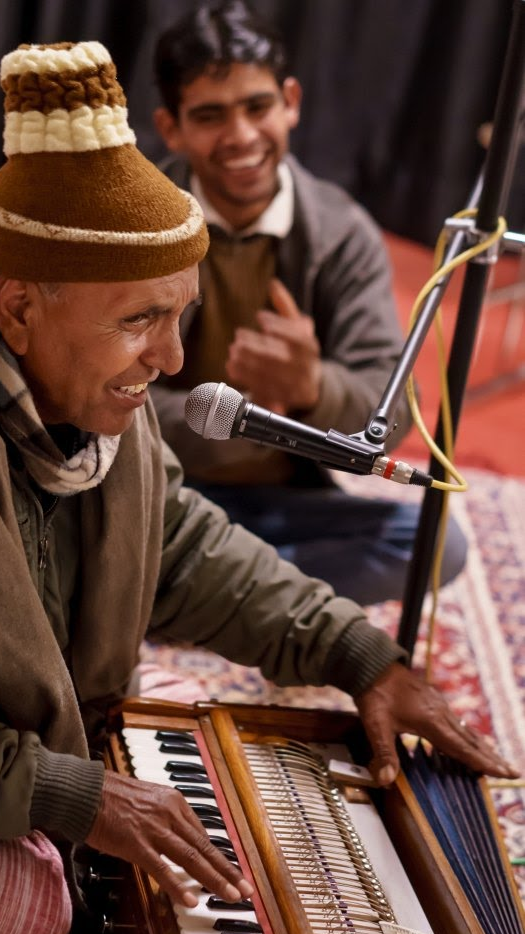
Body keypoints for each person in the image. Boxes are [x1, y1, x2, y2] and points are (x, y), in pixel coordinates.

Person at [0, 39, 515, 934]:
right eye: (139, 321)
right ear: (17, 308)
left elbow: (180, 547)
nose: (170, 359)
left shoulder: (75, 391)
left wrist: (353, 651)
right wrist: (61, 792)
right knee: (28, 928)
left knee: (142, 791)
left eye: (179, 317)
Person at [151, 0, 467, 606]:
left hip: (284, 504)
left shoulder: (342, 231)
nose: (241, 136)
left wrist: (312, 387)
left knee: (436, 545)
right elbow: (98, 400)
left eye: (257, 107)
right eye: (211, 115)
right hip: (161, 490)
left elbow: (392, 411)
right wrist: (251, 426)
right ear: (172, 128)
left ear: (291, 102)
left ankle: (197, 594)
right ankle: (242, 596)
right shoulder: (138, 221)